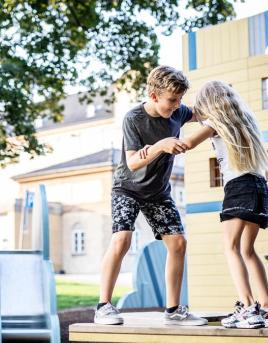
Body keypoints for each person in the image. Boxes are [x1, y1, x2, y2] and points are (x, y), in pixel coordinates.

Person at [94, 66, 207, 326]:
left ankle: (174, 310)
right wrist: (161, 145)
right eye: (172, 100)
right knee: (121, 239)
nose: (177, 105)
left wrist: (222, 109)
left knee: (178, 243)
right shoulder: (133, 118)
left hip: (158, 192)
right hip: (128, 187)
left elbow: (202, 114)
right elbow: (133, 162)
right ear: (153, 95)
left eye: (180, 100)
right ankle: (103, 306)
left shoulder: (178, 112)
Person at [179, 80, 268, 328]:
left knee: (230, 248)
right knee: (247, 250)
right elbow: (196, 116)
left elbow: (187, 144)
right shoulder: (244, 122)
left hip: (238, 188)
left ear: (209, 105)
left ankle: (248, 307)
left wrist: (160, 146)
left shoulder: (215, 123)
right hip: (259, 188)